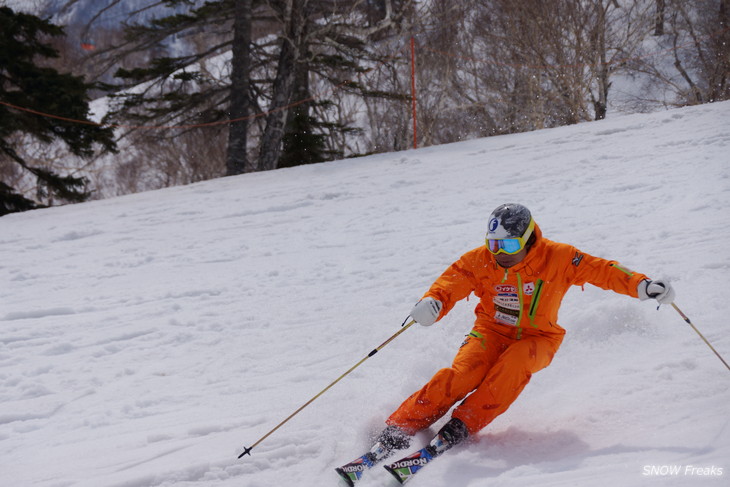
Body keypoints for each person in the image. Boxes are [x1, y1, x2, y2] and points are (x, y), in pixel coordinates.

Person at [368, 203, 675, 465]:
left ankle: (463, 424)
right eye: (494, 244)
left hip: (538, 338)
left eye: (509, 245)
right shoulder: (481, 260)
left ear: (528, 240)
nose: (500, 253)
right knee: (463, 374)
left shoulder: (559, 257)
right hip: (489, 331)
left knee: (512, 366)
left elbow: (603, 270)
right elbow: (454, 280)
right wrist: (433, 301)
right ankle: (401, 426)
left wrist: (642, 285)